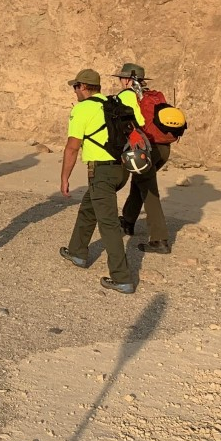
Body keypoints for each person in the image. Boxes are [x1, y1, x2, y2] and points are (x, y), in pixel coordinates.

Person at [59, 68, 144, 294]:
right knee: (89, 208)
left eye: (76, 86)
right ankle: (77, 252)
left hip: (102, 172)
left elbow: (72, 147)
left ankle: (122, 278)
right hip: (121, 170)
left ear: (84, 87)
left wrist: (64, 177)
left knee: (108, 225)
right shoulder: (110, 104)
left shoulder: (83, 109)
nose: (75, 91)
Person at [115, 63, 175, 254]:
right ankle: (128, 221)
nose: (120, 82)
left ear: (127, 79)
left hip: (146, 148)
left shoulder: (127, 95)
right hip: (163, 148)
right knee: (140, 181)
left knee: (149, 190)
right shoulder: (153, 96)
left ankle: (159, 240)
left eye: (120, 78)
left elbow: (136, 122)